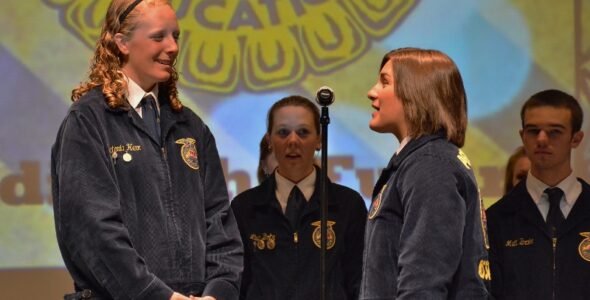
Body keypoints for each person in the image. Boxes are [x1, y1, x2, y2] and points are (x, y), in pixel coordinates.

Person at [50, 1, 242, 299]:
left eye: (176, 36)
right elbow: (94, 231)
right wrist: (158, 296)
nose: (173, 46)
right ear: (122, 43)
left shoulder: (190, 126)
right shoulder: (89, 121)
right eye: (158, 36)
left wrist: (218, 292)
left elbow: (220, 223)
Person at [359, 47, 490, 299]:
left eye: (384, 82)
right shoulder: (419, 161)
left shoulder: (430, 164)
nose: (372, 92)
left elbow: (424, 283)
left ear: (416, 92)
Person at [231, 95, 367, 299]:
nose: (293, 141)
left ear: (319, 140)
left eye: (303, 132)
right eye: (283, 132)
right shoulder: (244, 207)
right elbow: (237, 284)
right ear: (269, 140)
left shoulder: (348, 205)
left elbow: (360, 283)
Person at [487, 89, 590, 299]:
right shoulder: (497, 218)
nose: (542, 139)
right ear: (522, 136)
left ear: (576, 138)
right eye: (533, 131)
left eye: (554, 131)